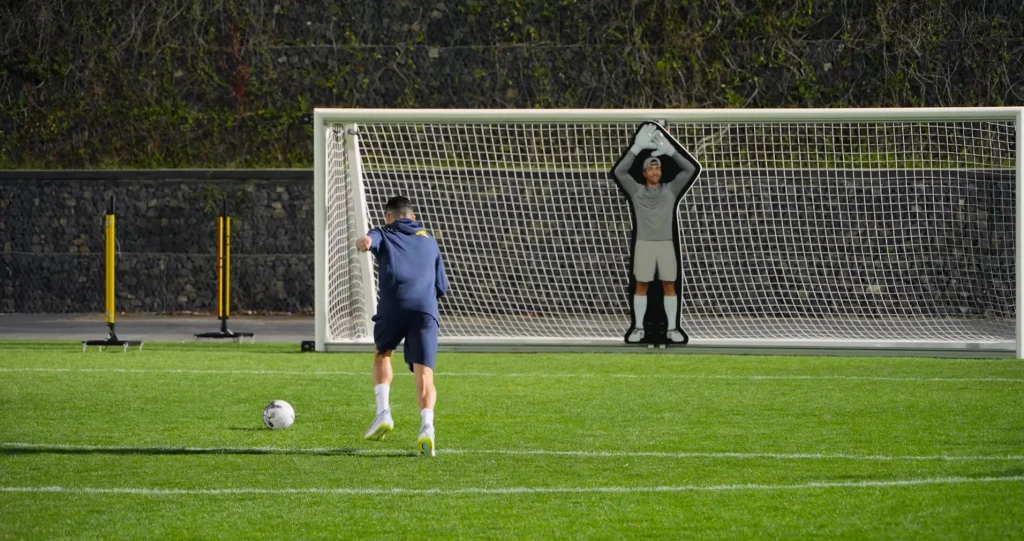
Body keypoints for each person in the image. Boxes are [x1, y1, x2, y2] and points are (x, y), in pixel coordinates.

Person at [355, 195, 449, 456]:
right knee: (424, 375)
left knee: (383, 354)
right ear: (413, 216)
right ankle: (427, 427)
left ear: (389, 217)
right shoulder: (430, 240)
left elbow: (371, 240)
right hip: (425, 310)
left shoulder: (384, 231)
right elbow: (442, 287)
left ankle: (383, 413)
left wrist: (365, 243)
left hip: (395, 305)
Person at [613, 124, 699, 344]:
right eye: (651, 169)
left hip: (665, 244)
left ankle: (672, 329)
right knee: (641, 285)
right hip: (644, 244)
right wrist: (636, 148)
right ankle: (638, 328)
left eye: (658, 168)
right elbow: (619, 172)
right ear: (644, 173)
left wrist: (671, 151)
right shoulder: (636, 191)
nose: (655, 171)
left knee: (669, 285)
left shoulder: (670, 190)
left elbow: (690, 169)